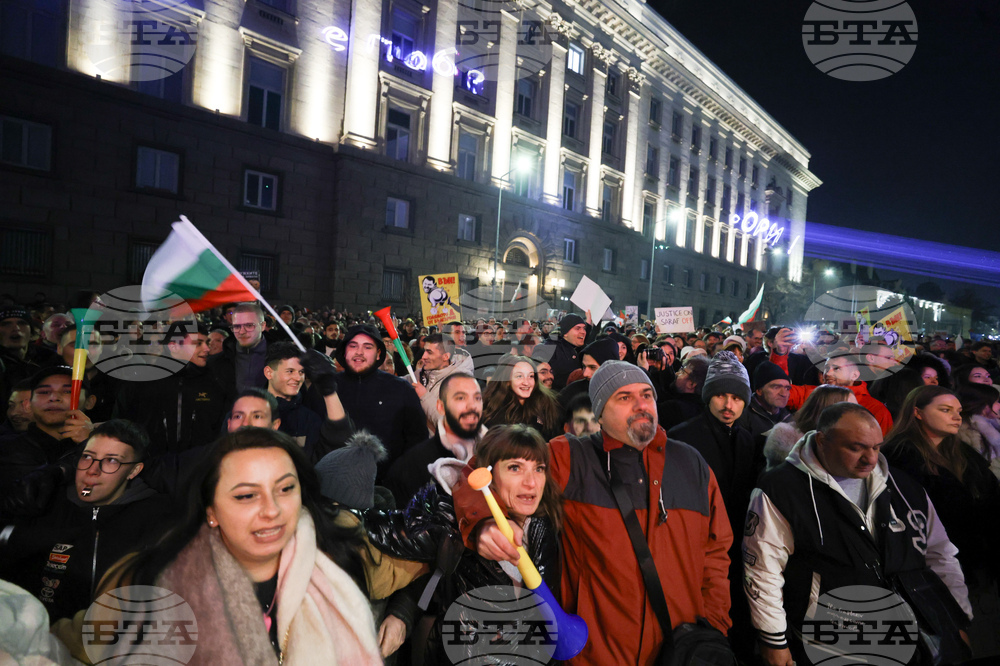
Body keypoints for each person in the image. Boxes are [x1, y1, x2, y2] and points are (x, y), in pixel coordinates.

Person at [52, 428, 429, 665]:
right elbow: (65, 648)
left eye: (285, 488)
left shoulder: (331, 553)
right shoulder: (158, 582)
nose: (271, 510)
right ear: (211, 510)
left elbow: (405, 565)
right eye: (246, 495)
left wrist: (404, 610)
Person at [455, 361, 733, 664]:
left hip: (680, 650)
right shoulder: (571, 459)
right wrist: (483, 522)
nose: (641, 405)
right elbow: (480, 469)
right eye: (624, 398)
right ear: (599, 413)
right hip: (598, 653)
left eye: (646, 395)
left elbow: (716, 553)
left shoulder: (692, 464)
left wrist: (714, 626)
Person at [744, 402, 972, 666]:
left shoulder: (903, 485)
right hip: (831, 641)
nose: (871, 458)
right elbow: (763, 570)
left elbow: (941, 555)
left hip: (911, 636)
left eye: (876, 447)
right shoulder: (782, 488)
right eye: (856, 447)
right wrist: (773, 639)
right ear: (822, 441)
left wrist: (955, 619)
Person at [0, 420, 173, 621]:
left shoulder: (161, 516)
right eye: (87, 457)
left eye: (112, 461)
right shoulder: (44, 504)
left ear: (134, 471)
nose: (92, 470)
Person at [419, 424, 562, 664]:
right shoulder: (454, 522)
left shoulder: (546, 527)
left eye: (539, 469)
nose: (531, 483)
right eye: (515, 468)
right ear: (488, 474)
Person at [882, 386, 1000, 637]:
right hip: (933, 566)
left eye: (958, 411)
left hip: (978, 561)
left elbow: (991, 493)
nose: (957, 416)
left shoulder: (961, 452)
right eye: (945, 410)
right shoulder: (899, 457)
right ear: (918, 412)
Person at [668, 350, 759, 661]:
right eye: (720, 395)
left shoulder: (748, 440)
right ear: (707, 395)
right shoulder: (682, 439)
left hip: (738, 552)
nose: (728, 405)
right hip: (699, 551)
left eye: (736, 397)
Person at [113, 323, 229, 461]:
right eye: (198, 343)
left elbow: (219, 427)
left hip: (198, 468)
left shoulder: (213, 384)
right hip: (150, 468)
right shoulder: (141, 383)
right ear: (173, 346)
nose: (207, 348)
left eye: (206, 343)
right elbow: (122, 425)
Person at [333, 325, 426, 480]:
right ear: (344, 351)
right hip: (335, 483)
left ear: (378, 354)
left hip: (389, 484)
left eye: (367, 347)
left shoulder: (400, 389)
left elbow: (417, 440)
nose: (359, 352)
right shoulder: (328, 388)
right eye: (353, 346)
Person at [384, 373, 486, 506]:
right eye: (460, 398)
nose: (471, 406)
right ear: (441, 407)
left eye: (477, 398)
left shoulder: (497, 452)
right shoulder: (410, 467)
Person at [0, 367, 95, 510]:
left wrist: (91, 446)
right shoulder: (7, 449)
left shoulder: (111, 449)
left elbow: (91, 494)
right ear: (29, 403)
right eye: (44, 392)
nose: (54, 397)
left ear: (90, 402)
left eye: (68, 391)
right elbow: (26, 500)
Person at [762, 384, 855, 469]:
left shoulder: (852, 441)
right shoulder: (787, 438)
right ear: (828, 410)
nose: (857, 414)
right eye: (850, 409)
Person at [481, 353, 561, 440]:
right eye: (519, 376)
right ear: (507, 381)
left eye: (531, 376)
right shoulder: (494, 412)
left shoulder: (546, 404)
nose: (526, 382)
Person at [412, 333, 475, 431]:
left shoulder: (461, 382)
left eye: (429, 352)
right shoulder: (422, 373)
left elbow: (452, 425)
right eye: (424, 351)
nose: (423, 356)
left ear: (445, 357)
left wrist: (424, 396)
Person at [0, 305, 59, 405]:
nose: (16, 328)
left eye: (22, 323)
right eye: (6, 324)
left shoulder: (49, 358)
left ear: (32, 332)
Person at [207, 302, 270, 394]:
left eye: (249, 326)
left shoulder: (280, 358)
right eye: (236, 326)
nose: (242, 331)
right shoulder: (216, 362)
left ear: (263, 326)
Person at [744, 326, 821, 387]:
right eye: (784, 339)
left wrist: (812, 353)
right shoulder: (755, 359)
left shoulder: (800, 360)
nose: (788, 343)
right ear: (770, 343)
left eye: (790, 339)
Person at [737, 361, 792, 443]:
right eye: (776, 387)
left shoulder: (789, 418)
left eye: (787, 388)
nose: (784, 394)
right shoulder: (742, 415)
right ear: (759, 391)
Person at [536, 313, 593, 390]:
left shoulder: (581, 348)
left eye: (584, 328)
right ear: (566, 333)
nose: (583, 332)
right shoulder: (548, 348)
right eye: (578, 328)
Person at [656, 354, 710, 430]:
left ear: (691, 384)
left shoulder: (674, 409)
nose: (677, 373)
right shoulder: (705, 409)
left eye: (682, 371)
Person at [957, 383, 1000, 478]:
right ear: (985, 405)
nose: (999, 405)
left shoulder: (994, 423)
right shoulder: (969, 432)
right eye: (997, 401)